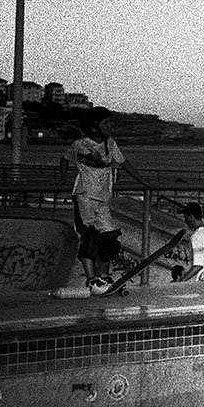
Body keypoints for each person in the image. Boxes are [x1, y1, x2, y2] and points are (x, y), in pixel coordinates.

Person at [62, 108, 149, 294]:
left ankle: (103, 276)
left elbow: (124, 163)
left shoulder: (111, 143)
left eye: (111, 123)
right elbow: (65, 158)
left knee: (110, 238)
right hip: (84, 197)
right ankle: (92, 280)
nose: (110, 127)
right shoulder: (81, 145)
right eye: (106, 123)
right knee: (91, 237)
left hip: (102, 199)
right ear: (94, 128)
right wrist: (62, 178)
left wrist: (142, 181)